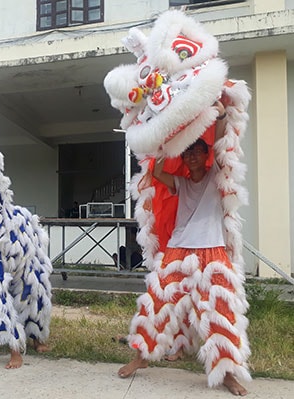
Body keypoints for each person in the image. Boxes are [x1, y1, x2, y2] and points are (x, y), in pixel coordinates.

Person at [118, 103, 251, 396]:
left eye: (197, 151)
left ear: (205, 156)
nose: (192, 155)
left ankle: (227, 373)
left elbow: (218, 141)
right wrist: (166, 135)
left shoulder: (216, 175)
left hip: (212, 253)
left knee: (220, 313)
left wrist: (218, 113)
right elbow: (160, 170)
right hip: (178, 250)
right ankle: (141, 357)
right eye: (187, 151)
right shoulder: (180, 182)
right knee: (155, 304)